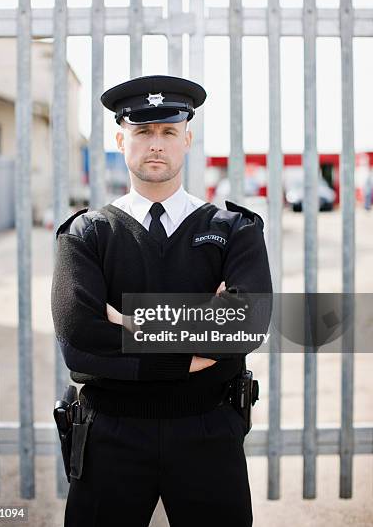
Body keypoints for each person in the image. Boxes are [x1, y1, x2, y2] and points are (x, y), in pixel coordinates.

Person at [51, 74, 273, 527]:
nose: (156, 144)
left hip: (208, 429)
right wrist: (193, 343)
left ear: (187, 139)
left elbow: (246, 324)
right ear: (121, 138)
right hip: (110, 434)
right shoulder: (87, 233)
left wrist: (130, 323)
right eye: (143, 131)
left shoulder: (235, 229)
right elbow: (80, 338)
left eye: (169, 131)